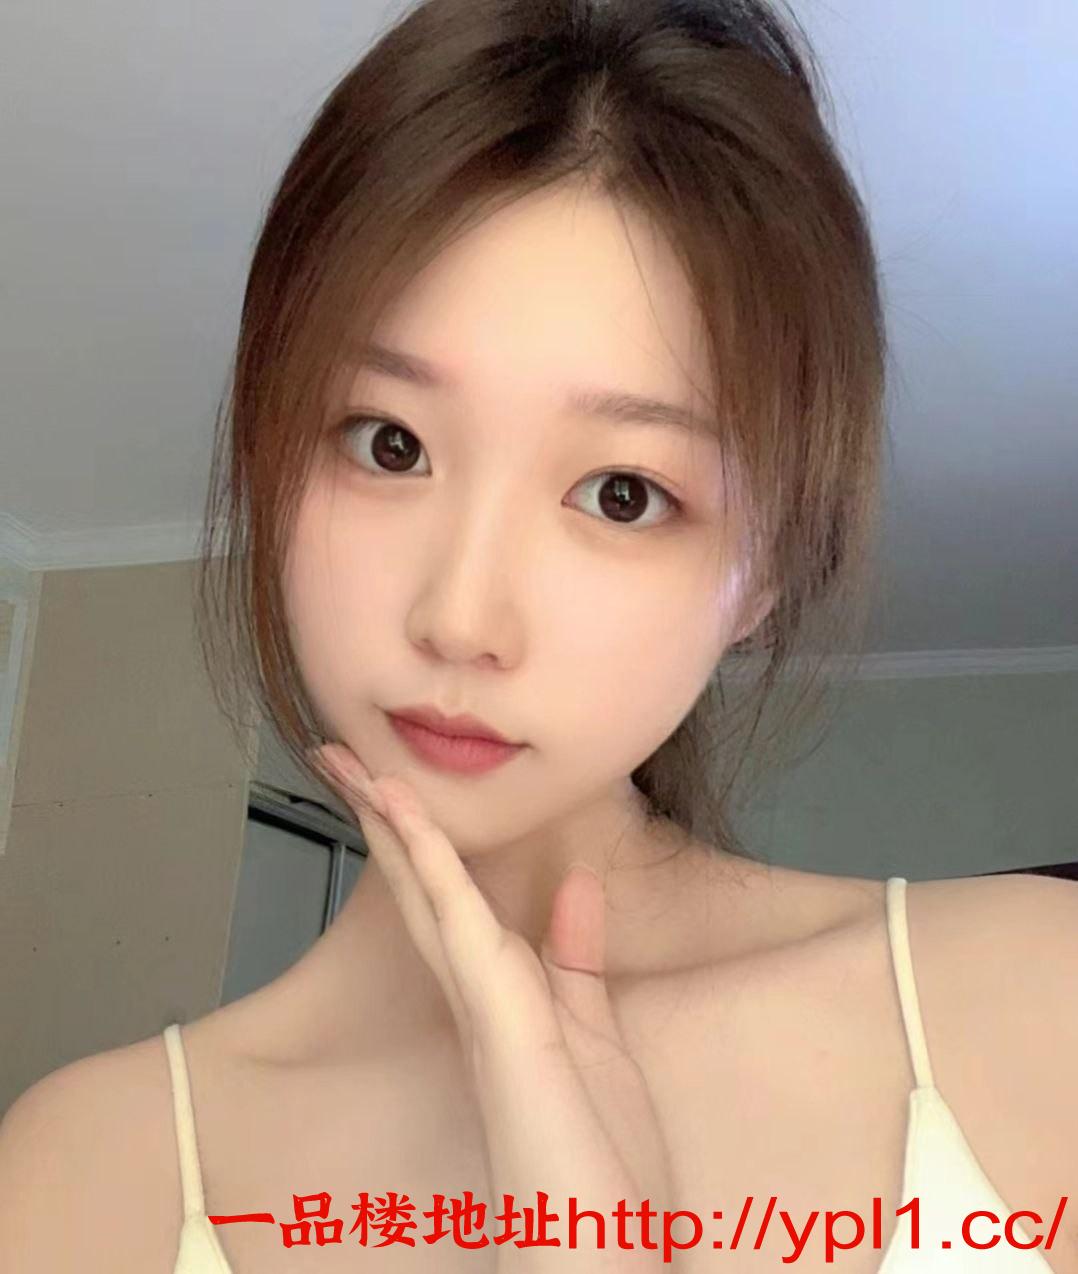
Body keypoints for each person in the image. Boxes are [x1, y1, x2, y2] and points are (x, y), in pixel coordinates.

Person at [1, 0, 1075, 1270]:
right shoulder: (85, 1170)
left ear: (768, 573)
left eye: (621, 493)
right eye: (388, 443)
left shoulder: (1030, 1000)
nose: (459, 617)